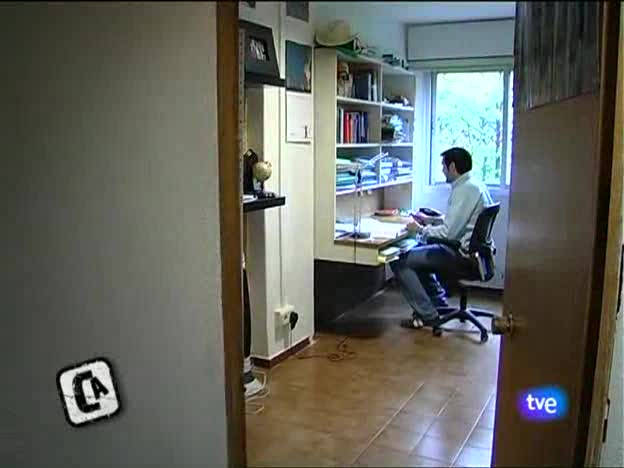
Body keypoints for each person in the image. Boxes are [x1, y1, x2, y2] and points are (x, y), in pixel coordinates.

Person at [391, 147, 494, 329]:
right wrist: (433, 220)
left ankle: (428, 315)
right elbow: (461, 222)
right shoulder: (475, 185)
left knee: (401, 260)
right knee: (417, 253)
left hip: (462, 257)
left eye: (443, 166)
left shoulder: (465, 189)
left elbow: (448, 234)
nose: (442, 171)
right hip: (475, 255)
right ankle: (437, 303)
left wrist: (420, 229)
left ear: (452, 167)